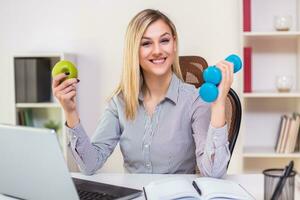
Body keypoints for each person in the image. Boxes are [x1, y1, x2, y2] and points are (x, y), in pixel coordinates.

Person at [52, 9, 233, 177]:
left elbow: (214, 173)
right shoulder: (120, 102)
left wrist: (218, 105)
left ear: (174, 44)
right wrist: (70, 111)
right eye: (146, 43)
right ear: (134, 51)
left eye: (164, 40)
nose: (157, 50)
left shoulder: (195, 100)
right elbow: (90, 165)